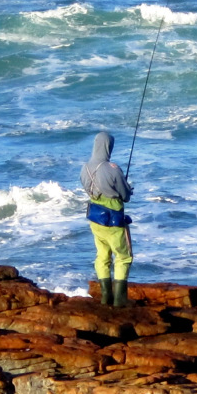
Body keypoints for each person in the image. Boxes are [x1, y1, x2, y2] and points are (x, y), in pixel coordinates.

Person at [81, 131, 134, 307]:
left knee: (102, 255)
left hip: (96, 219)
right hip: (113, 220)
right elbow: (125, 196)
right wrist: (127, 189)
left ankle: (105, 297)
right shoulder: (112, 168)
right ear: (108, 147)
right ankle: (120, 299)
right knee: (123, 257)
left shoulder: (85, 167)